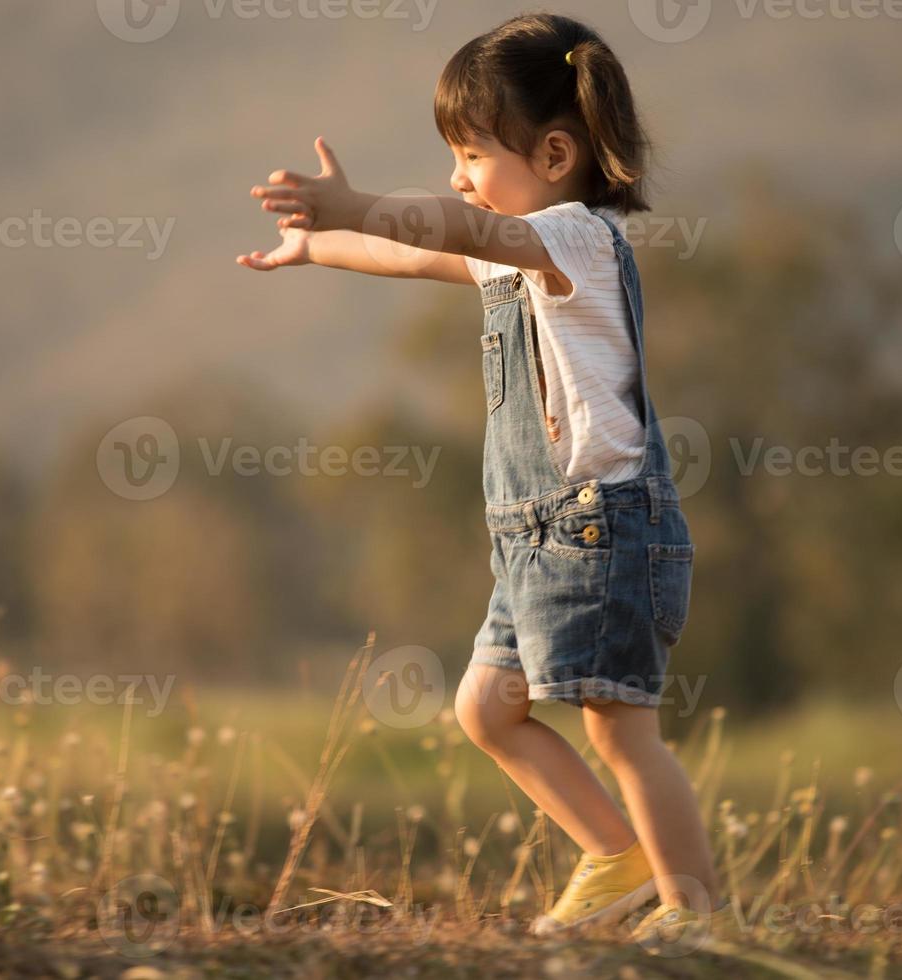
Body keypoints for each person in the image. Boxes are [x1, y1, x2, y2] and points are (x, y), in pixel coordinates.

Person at [238, 12, 714, 945]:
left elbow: (440, 221)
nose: (457, 177)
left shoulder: (574, 239)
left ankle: (692, 909)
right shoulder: (513, 254)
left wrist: (357, 201)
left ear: (554, 152)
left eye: (470, 152)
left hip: (602, 528)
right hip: (534, 539)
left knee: (621, 733)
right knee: (486, 710)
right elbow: (415, 249)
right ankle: (617, 858)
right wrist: (321, 243)